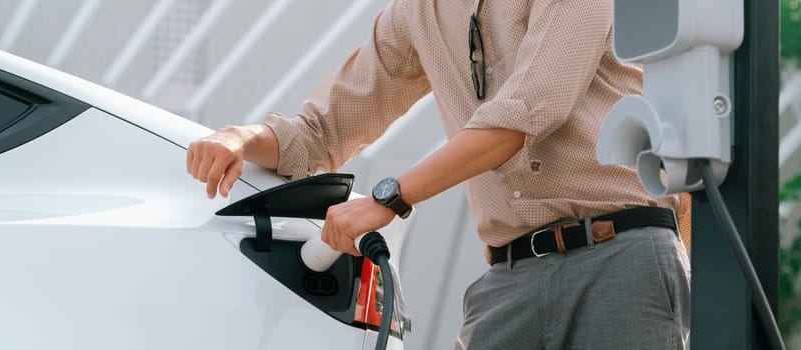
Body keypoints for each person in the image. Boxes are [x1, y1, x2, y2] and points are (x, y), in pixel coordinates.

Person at [186, 0, 691, 348]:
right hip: (509, 278)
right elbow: (324, 129)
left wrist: (389, 197)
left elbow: (529, 110)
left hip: (620, 259)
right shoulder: (417, 14)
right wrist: (242, 138)